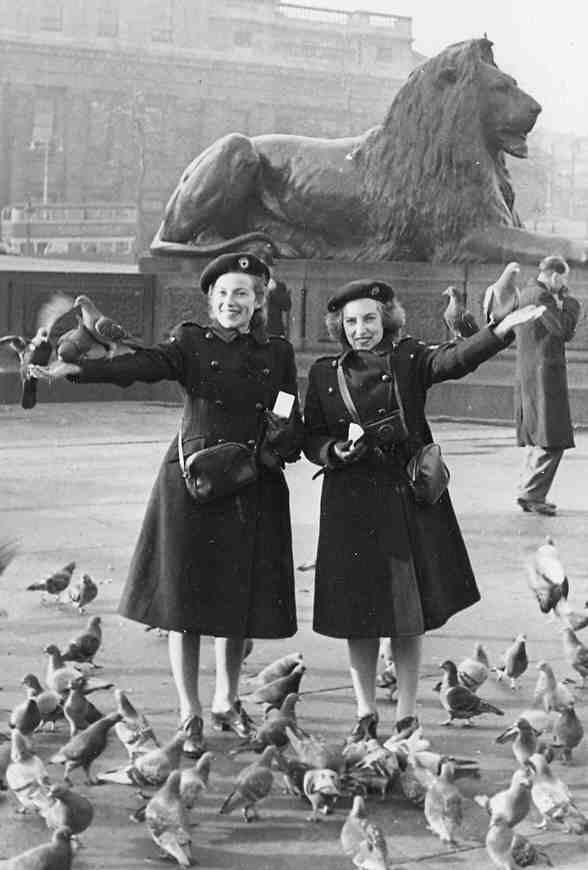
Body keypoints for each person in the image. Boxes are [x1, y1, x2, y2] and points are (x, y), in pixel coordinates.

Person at [33, 252, 303, 758]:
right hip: (193, 483)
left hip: (251, 480)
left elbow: (289, 404)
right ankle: (190, 711)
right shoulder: (190, 342)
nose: (231, 302)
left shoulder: (278, 351)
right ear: (210, 300)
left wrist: (285, 440)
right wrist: (80, 371)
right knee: (185, 606)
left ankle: (226, 700)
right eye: (222, 294)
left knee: (235, 604)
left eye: (242, 293)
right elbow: (142, 364)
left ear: (258, 300)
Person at [303, 278, 544, 741]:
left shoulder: (408, 358)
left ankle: (407, 713)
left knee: (406, 614)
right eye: (350, 322)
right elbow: (312, 438)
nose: (361, 330)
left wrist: (500, 329)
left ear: (386, 320)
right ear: (339, 326)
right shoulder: (322, 373)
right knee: (360, 616)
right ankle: (365, 712)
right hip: (350, 503)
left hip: (405, 498)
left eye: (370, 319)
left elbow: (451, 359)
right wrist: (334, 451)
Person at [515, 255, 581, 516]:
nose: (563, 284)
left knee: (539, 438)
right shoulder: (542, 297)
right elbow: (562, 330)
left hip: (531, 376)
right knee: (552, 439)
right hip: (544, 378)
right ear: (555, 275)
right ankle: (531, 494)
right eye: (563, 279)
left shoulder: (527, 292)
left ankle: (527, 490)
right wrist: (572, 305)